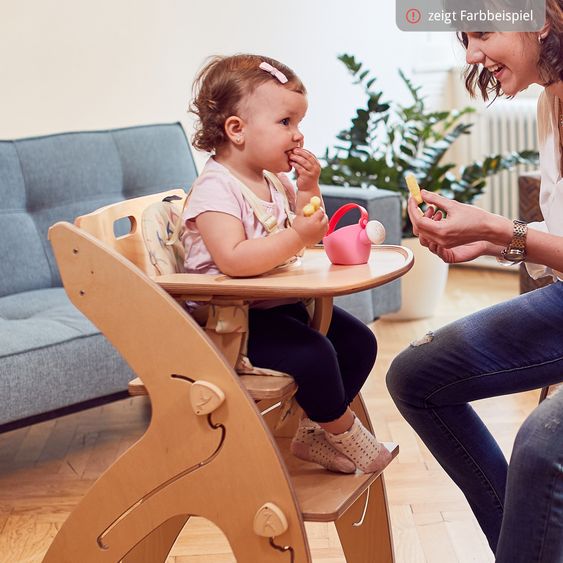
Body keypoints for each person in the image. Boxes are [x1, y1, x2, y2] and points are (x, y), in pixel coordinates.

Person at [386, 5, 563, 561]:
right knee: (416, 376)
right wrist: (490, 239)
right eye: (466, 37)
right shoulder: (548, 102)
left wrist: (496, 228)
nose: (469, 55)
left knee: (541, 443)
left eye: (483, 34)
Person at [183, 53, 391, 474]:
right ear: (237, 130)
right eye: (285, 123)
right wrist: (297, 236)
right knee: (314, 355)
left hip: (275, 303)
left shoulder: (272, 181)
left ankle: (312, 432)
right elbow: (234, 260)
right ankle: (342, 429)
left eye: (299, 124)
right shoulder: (215, 189)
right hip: (232, 321)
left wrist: (308, 186)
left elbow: (303, 221)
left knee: (358, 343)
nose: (298, 136)